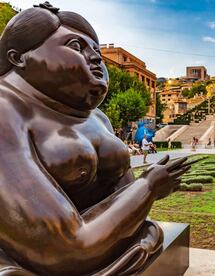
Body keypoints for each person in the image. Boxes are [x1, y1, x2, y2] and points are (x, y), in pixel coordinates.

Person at [0, 3, 190, 275]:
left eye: (97, 51)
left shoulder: (98, 118)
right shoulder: (5, 112)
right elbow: (63, 250)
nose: (96, 58)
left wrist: (139, 197)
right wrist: (148, 187)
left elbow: (131, 212)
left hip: (105, 245)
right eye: (77, 46)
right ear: (19, 57)